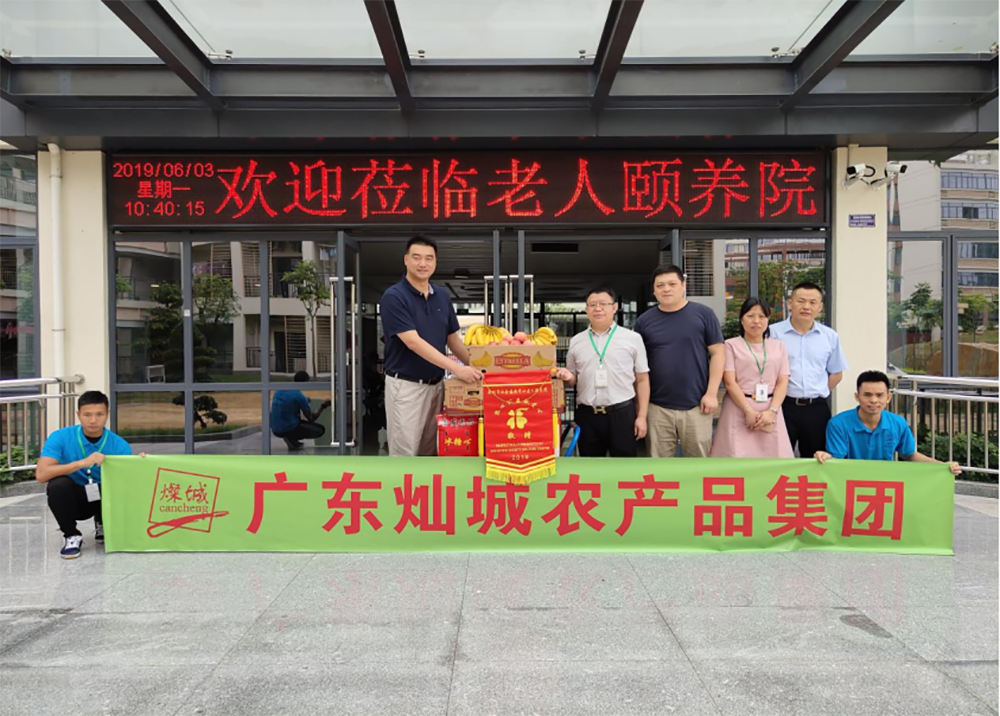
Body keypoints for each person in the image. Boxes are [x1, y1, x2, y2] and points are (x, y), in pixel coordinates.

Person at [380, 235, 481, 456]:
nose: (422, 263)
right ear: (406, 260)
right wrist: (457, 369)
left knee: (431, 452)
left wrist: (479, 368)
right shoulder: (394, 297)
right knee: (405, 454)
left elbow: (452, 339)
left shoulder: (442, 296)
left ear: (435, 262)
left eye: (429, 258)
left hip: (437, 386)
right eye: (416, 257)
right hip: (406, 387)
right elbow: (413, 342)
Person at [634, 265, 725, 458]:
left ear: (683, 285)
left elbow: (718, 354)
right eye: (660, 285)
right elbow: (638, 367)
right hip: (657, 407)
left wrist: (711, 393)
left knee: (699, 465)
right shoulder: (644, 321)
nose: (666, 289)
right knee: (659, 467)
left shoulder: (704, 314)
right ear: (654, 290)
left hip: (697, 405)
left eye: (672, 284)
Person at [35, 391, 133, 559]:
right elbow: (41, 475)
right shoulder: (60, 437)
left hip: (102, 497)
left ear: (107, 414)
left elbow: (129, 481)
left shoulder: (119, 445)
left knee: (117, 485)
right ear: (78, 415)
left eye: (99, 414)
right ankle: (71, 535)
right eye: (87, 415)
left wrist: (140, 463)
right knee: (58, 485)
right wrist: (81, 463)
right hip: (73, 497)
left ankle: (103, 522)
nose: (93, 420)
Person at [555, 288, 649, 457]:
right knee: (590, 467)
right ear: (586, 309)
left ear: (614, 307)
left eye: (603, 304)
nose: (598, 308)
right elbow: (573, 378)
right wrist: (568, 376)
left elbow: (642, 379)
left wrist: (641, 417)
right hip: (587, 414)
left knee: (624, 466)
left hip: (622, 414)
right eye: (592, 305)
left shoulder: (632, 338)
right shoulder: (576, 341)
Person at [815, 370, 962, 475]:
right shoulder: (838, 424)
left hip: (885, 485)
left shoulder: (898, 423)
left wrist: (943, 466)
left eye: (879, 395)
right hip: (850, 483)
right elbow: (836, 460)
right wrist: (825, 457)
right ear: (857, 397)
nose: (874, 400)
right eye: (867, 395)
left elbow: (911, 455)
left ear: (888, 398)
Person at [770, 281, 848, 458]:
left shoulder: (829, 336)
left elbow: (836, 373)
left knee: (816, 458)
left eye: (813, 302)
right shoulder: (773, 334)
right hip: (782, 406)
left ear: (820, 307)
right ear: (790, 303)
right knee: (778, 457)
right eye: (801, 301)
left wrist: (818, 390)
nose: (806, 306)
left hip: (816, 409)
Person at [710, 297, 793, 458]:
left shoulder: (778, 346)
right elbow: (729, 382)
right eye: (750, 316)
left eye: (762, 316)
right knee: (736, 454)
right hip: (738, 407)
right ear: (742, 319)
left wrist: (772, 411)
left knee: (773, 456)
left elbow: (783, 381)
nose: (756, 321)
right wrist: (748, 410)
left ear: (768, 319)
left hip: (771, 407)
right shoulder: (730, 345)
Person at [270, 371, 331, 450]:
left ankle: (291, 438)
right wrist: (323, 406)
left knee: (294, 415)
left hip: (275, 429)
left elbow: (289, 400)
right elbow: (311, 418)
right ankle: (290, 437)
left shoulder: (279, 391)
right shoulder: (299, 396)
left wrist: (305, 400)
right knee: (319, 430)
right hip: (287, 428)